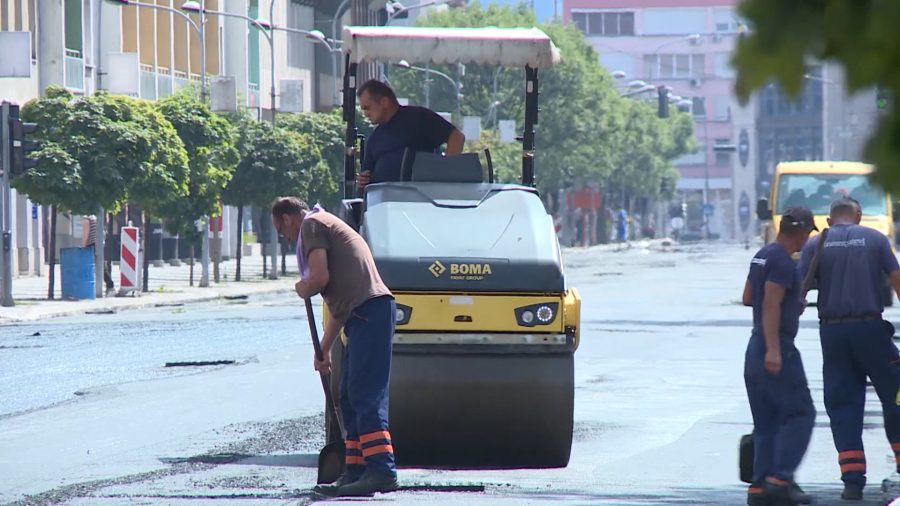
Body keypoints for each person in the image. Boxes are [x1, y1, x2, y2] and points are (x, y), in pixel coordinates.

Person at [271, 197, 398, 497]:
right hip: (362, 313)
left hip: (371, 311)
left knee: (365, 393)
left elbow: (319, 278)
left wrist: (303, 285)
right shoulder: (326, 224)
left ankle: (381, 470)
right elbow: (339, 309)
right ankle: (354, 470)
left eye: (281, 230)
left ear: (288, 218)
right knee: (348, 394)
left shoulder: (312, 225)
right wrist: (324, 350)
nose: (286, 238)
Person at [798, 196, 900, 501]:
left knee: (843, 404)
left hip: (833, 334)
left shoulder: (814, 245)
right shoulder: (875, 239)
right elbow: (897, 281)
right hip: (871, 330)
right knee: (896, 394)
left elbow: (797, 289)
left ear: (829, 221)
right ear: (858, 216)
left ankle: (852, 481)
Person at [742, 207, 818, 506]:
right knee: (801, 413)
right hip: (776, 347)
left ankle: (759, 487)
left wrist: (791, 302)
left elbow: (750, 297)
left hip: (754, 347)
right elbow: (771, 304)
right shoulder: (784, 262)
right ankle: (781, 479)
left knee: (767, 421)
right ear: (801, 232)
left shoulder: (762, 255)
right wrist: (774, 350)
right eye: (807, 234)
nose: (805, 241)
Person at [356, 79, 465, 190]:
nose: (365, 114)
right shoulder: (374, 138)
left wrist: (445, 173)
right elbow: (366, 177)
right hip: (384, 202)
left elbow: (456, 137)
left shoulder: (418, 118)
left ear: (384, 102)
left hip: (420, 199)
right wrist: (362, 181)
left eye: (367, 108)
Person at [81, 215, 114, 294]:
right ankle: (109, 285)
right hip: (97, 244)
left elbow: (86, 234)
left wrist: (83, 246)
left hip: (91, 245)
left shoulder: (86, 219)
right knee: (100, 266)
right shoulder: (95, 218)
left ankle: (109, 285)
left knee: (93, 266)